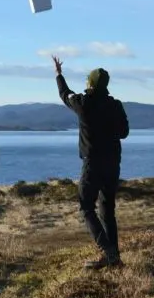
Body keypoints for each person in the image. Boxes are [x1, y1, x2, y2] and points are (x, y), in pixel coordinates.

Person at [52, 55, 130, 270]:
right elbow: (124, 133)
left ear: (90, 83)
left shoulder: (83, 103)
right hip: (113, 163)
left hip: (93, 163)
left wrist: (59, 74)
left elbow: (64, 94)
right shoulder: (116, 105)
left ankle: (108, 251)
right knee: (107, 209)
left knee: (86, 206)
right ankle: (114, 259)